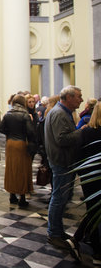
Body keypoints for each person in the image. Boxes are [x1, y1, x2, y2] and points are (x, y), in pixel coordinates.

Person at [44, 85, 83, 249]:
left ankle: (57, 231)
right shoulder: (59, 114)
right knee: (59, 198)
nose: (81, 99)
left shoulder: (60, 112)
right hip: (61, 160)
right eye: (78, 96)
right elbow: (62, 139)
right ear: (68, 97)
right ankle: (54, 233)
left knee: (60, 197)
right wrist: (82, 131)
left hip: (62, 160)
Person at [68, 101, 101, 265]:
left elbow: (77, 154)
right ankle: (96, 251)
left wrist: (81, 173)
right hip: (95, 176)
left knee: (93, 209)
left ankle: (78, 239)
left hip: (88, 176)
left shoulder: (85, 131)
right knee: (95, 211)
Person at [0, 94, 36, 207]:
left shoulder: (8, 114)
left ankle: (12, 195)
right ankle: (22, 198)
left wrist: (9, 134)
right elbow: (31, 132)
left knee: (11, 169)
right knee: (22, 170)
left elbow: (0, 128)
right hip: (21, 143)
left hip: (10, 143)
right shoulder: (25, 115)